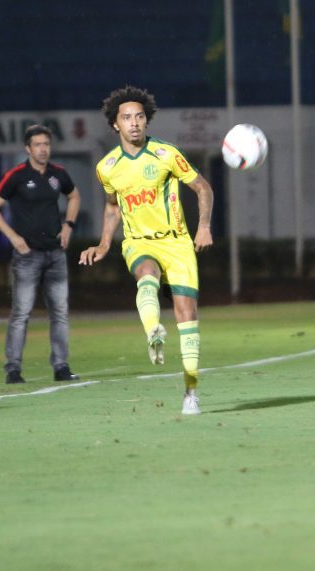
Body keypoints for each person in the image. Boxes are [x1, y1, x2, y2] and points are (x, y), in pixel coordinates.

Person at [79, 85, 214, 416]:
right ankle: (153, 329)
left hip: (177, 241)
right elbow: (112, 206)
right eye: (127, 118)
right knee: (146, 274)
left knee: (187, 315)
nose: (134, 123)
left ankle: (191, 391)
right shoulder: (107, 167)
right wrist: (105, 242)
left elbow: (202, 187)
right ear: (116, 124)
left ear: (146, 121)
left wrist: (204, 226)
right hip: (139, 241)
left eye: (139, 117)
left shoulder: (166, 154)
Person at [0, 124, 81, 384]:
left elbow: (74, 196)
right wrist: (13, 237)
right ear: (28, 148)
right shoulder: (15, 176)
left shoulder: (58, 174)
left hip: (56, 255)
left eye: (46, 144)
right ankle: (13, 369)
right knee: (21, 313)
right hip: (28, 257)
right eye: (37, 145)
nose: (43, 149)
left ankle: (61, 367)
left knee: (60, 313)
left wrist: (68, 225)